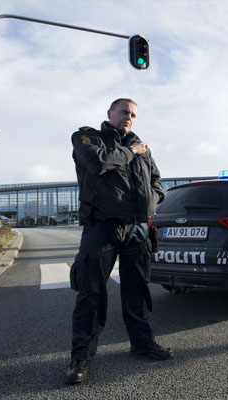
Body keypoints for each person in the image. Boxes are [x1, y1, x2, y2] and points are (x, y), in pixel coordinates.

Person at [66, 98, 170, 384]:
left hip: (137, 228)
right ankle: (81, 357)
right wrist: (131, 151)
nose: (129, 117)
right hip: (102, 226)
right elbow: (97, 162)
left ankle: (142, 344)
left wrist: (152, 199)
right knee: (92, 292)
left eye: (133, 114)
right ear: (110, 113)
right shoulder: (88, 138)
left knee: (138, 290)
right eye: (124, 111)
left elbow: (157, 182)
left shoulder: (142, 147)